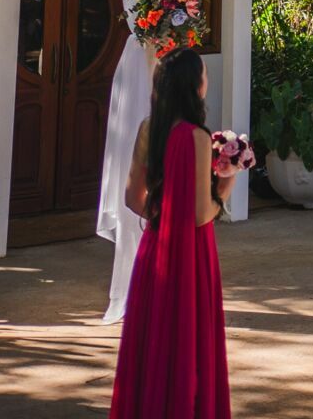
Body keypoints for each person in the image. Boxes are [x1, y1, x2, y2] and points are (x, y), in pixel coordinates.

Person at [110, 49, 240, 419]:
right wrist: (227, 184)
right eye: (204, 74)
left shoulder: (148, 129)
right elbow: (201, 215)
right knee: (188, 343)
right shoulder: (197, 137)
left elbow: (132, 198)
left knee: (153, 340)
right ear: (194, 85)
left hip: (155, 248)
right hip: (191, 255)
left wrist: (163, 215)